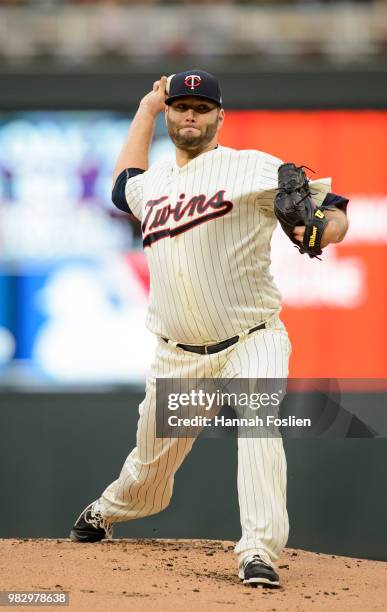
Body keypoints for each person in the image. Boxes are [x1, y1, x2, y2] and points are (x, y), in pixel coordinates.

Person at [70, 69, 349, 588]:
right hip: (180, 357)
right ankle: (110, 508)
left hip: (252, 340)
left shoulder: (252, 168)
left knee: (260, 428)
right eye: (181, 106)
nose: (190, 114)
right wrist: (146, 109)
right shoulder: (151, 185)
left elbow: (333, 211)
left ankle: (258, 551)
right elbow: (121, 185)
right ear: (172, 114)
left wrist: (325, 231)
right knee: (150, 470)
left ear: (220, 115)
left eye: (201, 107)